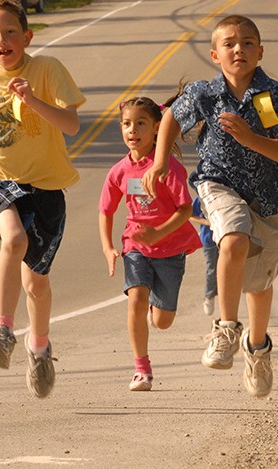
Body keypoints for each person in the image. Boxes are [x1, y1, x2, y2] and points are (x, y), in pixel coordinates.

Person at [141, 15, 278, 398]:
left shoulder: (275, 97)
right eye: (231, 43)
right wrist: (160, 161)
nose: (240, 49)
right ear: (215, 54)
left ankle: (258, 349)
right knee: (232, 240)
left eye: (248, 43)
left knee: (259, 283)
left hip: (273, 197)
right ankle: (226, 329)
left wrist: (252, 139)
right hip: (218, 185)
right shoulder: (205, 95)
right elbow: (170, 116)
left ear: (261, 51)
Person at [0, 0, 85, 399]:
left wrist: (34, 100)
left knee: (36, 282)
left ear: (27, 37)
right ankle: (2, 332)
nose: (3, 40)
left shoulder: (47, 70)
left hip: (47, 187)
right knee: (13, 240)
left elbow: (70, 125)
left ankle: (39, 346)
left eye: (11, 32)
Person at [99, 97, 201, 391]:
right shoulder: (119, 171)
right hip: (136, 246)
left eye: (141, 123)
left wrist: (158, 233)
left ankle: (152, 311)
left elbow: (185, 210)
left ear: (157, 128)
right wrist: (108, 247)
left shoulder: (169, 168)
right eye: (127, 124)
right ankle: (141, 370)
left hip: (170, 251)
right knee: (136, 299)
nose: (133, 130)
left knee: (163, 321)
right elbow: (106, 211)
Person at [191, 195, 218, 316]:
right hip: (209, 239)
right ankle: (209, 296)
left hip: (229, 237)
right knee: (212, 270)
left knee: (231, 270)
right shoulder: (202, 195)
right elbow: (191, 215)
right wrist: (207, 222)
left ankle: (228, 302)